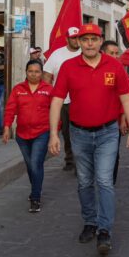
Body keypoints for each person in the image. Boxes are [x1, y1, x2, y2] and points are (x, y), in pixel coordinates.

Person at [48, 24, 129, 256]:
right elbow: (57, 101)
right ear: (79, 42)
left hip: (108, 132)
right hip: (78, 133)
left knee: (105, 180)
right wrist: (53, 134)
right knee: (84, 182)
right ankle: (90, 222)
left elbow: (126, 99)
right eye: (84, 39)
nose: (89, 43)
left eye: (93, 39)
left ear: (100, 42)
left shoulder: (114, 65)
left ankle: (105, 230)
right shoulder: (68, 67)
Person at [2, 60, 52, 213]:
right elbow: (10, 109)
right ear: (26, 72)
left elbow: (55, 111)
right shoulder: (18, 89)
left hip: (42, 132)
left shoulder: (49, 89)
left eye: (37, 72)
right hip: (22, 135)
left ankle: (35, 197)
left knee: (36, 164)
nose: (34, 74)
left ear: (41, 73)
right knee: (30, 165)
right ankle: (36, 188)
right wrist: (7, 128)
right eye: (31, 71)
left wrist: (55, 131)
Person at [43, 27, 81, 172]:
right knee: (66, 132)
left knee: (79, 132)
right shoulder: (57, 54)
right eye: (73, 38)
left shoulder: (85, 52)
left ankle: (80, 162)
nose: (76, 40)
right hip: (63, 101)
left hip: (80, 100)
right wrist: (49, 95)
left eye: (78, 37)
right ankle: (70, 159)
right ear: (67, 39)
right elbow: (46, 75)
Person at [101, 40, 124, 185]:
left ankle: (110, 183)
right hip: (92, 124)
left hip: (113, 123)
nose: (115, 56)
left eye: (117, 53)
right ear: (103, 53)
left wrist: (123, 119)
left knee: (113, 155)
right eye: (112, 53)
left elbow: (125, 98)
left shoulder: (119, 70)